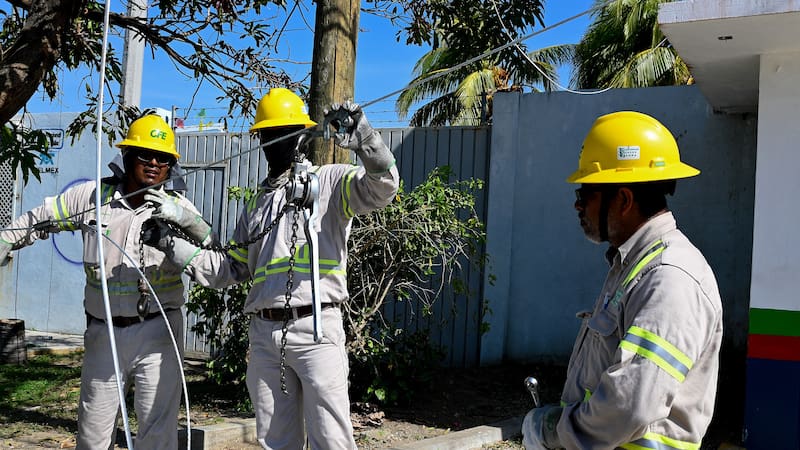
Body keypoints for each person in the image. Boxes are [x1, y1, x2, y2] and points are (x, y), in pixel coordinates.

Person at [142, 87, 400, 449]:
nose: (274, 141)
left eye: (284, 132)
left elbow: (384, 186)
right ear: (260, 139)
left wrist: (366, 142)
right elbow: (227, 269)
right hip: (265, 335)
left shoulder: (327, 182)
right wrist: (171, 243)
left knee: (332, 440)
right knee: (275, 441)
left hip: (316, 331)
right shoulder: (258, 204)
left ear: (302, 135)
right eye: (268, 134)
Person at [0, 114, 212, 449]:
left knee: (157, 433)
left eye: (163, 158)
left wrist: (184, 220)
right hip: (104, 332)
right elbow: (39, 218)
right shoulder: (92, 198)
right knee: (93, 432)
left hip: (159, 332)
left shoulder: (178, 208)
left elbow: (210, 250)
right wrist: (6, 241)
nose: (154, 163)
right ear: (127, 157)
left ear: (172, 166)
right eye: (145, 155)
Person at [522, 111, 723, 449]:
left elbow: (629, 405)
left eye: (587, 191)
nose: (577, 204)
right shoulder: (633, 267)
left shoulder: (670, 278)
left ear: (624, 199)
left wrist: (551, 430)